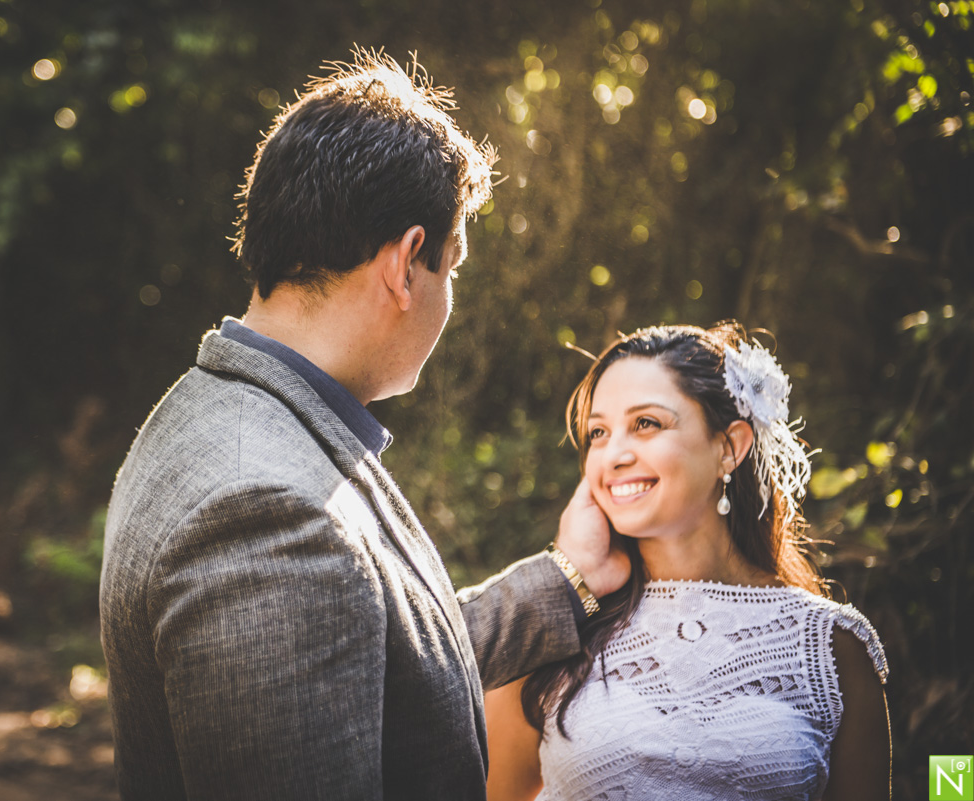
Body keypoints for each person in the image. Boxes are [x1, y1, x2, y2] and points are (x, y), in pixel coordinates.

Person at [98, 51, 631, 801]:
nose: (450, 297)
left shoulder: (220, 405)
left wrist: (567, 582)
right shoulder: (268, 510)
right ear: (406, 263)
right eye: (453, 267)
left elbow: (367, 665)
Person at [484, 323, 891, 801]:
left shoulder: (832, 645)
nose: (613, 455)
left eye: (647, 423)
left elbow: (948, 783)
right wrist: (569, 572)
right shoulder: (548, 632)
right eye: (598, 432)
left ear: (729, 447)